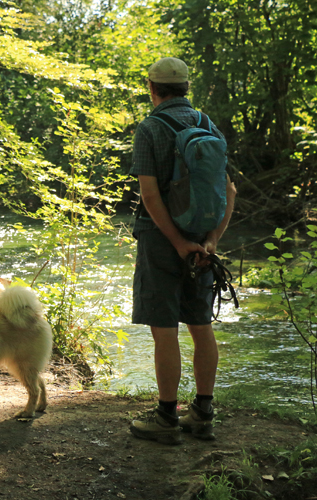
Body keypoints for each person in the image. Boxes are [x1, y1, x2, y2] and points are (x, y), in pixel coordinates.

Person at [128, 58, 236, 444]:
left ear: (151, 87)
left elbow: (150, 194)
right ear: (187, 88)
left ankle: (165, 418)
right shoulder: (207, 125)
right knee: (201, 325)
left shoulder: (150, 127)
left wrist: (177, 243)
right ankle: (203, 413)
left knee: (165, 329)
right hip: (204, 238)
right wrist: (210, 242)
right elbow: (230, 192)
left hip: (162, 240)